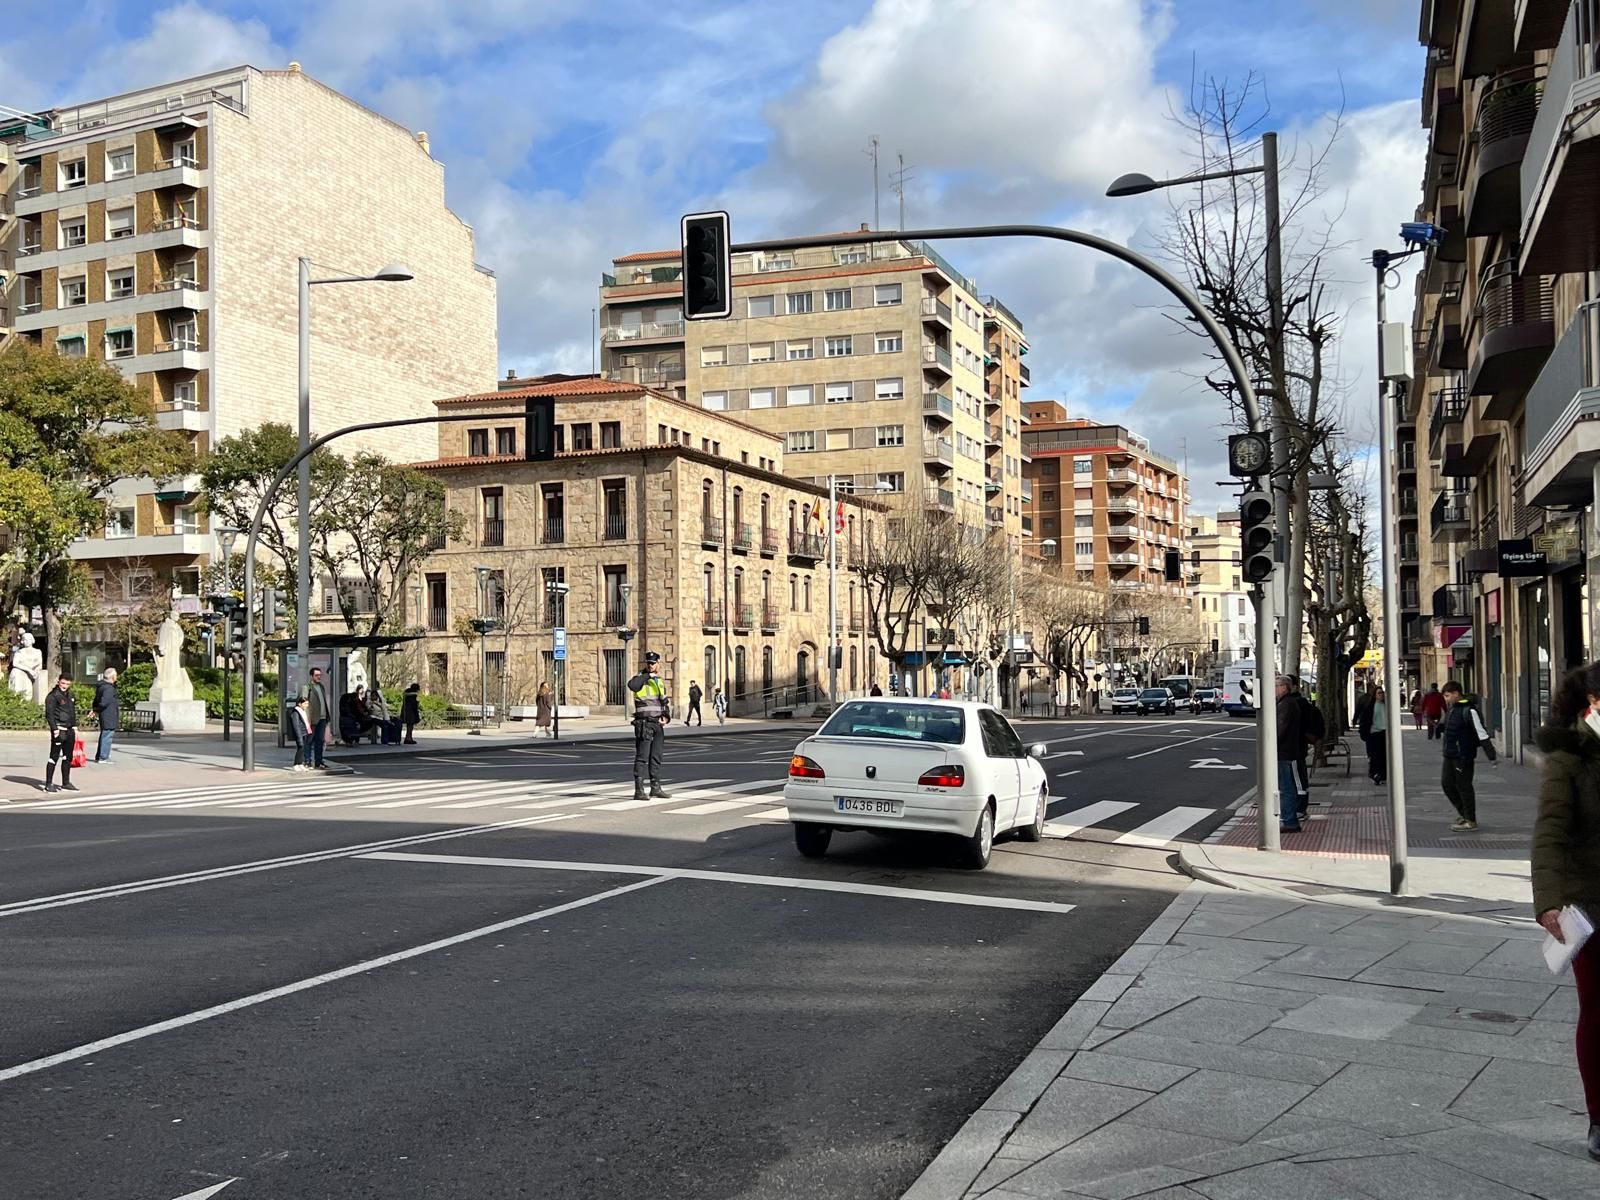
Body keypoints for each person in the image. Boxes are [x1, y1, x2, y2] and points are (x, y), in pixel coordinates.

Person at [1531, 662, 1600, 1162]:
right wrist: (1549, 900)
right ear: (1591, 704)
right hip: (1592, 903)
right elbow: (1550, 832)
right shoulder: (1569, 758)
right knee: (1599, 1013)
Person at [1440, 680, 1495, 831]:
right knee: (1447, 784)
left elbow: (1481, 733)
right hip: (1449, 754)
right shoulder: (1452, 709)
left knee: (1464, 787)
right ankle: (1464, 813)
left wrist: (1491, 755)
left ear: (1456, 694)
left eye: (1447, 695)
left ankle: (1470, 819)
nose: (1446, 699)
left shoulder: (1469, 710)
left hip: (1463, 755)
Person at [627, 651, 670, 801]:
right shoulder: (640, 679)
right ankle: (639, 790)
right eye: (648, 663)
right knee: (642, 757)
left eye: (653, 663)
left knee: (656, 757)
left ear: (659, 663)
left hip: (657, 723)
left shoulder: (658, 680)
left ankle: (655, 787)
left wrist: (667, 717)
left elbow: (663, 701)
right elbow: (632, 685)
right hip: (644, 723)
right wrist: (646, 675)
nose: (650, 665)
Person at [1274, 676, 1303, 832]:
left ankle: (1290, 820)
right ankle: (1288, 818)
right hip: (1285, 751)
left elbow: (1280, 728)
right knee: (1286, 787)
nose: (1274, 689)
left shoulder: (1287, 704)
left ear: (1284, 687)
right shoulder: (1285, 703)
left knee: (1287, 788)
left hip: (1285, 752)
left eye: (1276, 685)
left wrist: (1270, 744)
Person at [43, 673, 78, 793]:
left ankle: (66, 783)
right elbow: (49, 714)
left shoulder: (70, 695)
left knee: (68, 757)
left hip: (69, 730)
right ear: (59, 682)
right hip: (59, 730)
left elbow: (72, 712)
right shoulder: (53, 696)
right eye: (63, 683)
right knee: (54, 757)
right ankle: (48, 783)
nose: (65, 686)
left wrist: (74, 727)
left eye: (68, 684)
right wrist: (54, 729)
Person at [1358, 685, 1388, 785]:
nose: (1381, 695)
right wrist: (1364, 734)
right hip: (1374, 734)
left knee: (1384, 756)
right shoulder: (1371, 707)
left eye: (1382, 693)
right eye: (1379, 693)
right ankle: (1375, 774)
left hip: (1385, 734)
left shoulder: (1387, 706)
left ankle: (1382, 774)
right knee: (1375, 756)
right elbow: (1364, 720)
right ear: (1375, 695)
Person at [302, 667, 330, 770]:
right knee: (309, 740)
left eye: (320, 675)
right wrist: (307, 719)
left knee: (320, 741)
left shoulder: (321, 687)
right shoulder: (307, 687)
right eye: (316, 675)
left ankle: (319, 761)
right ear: (311, 676)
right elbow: (304, 704)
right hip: (312, 718)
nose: (319, 677)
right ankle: (307, 761)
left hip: (322, 718)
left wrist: (327, 716)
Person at [91, 667, 119, 764]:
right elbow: (104, 702)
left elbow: (96, 700)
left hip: (105, 715)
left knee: (104, 735)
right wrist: (97, 709)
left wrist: (95, 709)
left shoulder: (101, 687)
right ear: (112, 677)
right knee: (107, 736)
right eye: (115, 675)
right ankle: (103, 757)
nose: (116, 677)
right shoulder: (109, 688)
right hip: (109, 715)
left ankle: (100, 756)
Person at [287, 696, 313, 772]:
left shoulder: (303, 711)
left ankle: (300, 763)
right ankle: (296, 764)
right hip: (299, 732)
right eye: (305, 704)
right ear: (300, 704)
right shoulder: (295, 712)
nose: (306, 705)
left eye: (307, 704)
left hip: (304, 732)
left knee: (303, 748)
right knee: (300, 747)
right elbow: (296, 725)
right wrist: (298, 735)